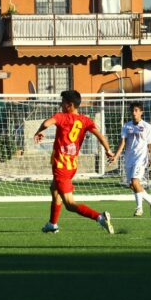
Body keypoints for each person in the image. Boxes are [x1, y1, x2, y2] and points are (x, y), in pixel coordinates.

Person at [34, 90, 115, 234]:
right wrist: (108, 150)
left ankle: (99, 217)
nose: (61, 105)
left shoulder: (62, 117)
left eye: (63, 102)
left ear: (69, 105)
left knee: (70, 204)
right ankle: (52, 224)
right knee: (54, 189)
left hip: (61, 166)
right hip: (72, 165)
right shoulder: (86, 120)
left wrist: (39, 131)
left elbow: (46, 123)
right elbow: (101, 137)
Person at [110, 101, 151, 217]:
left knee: (135, 181)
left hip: (141, 158)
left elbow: (150, 143)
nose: (134, 113)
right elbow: (122, 143)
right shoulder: (126, 126)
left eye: (136, 110)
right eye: (132, 110)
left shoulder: (147, 126)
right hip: (129, 159)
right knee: (132, 185)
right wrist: (116, 156)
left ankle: (139, 208)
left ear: (141, 112)